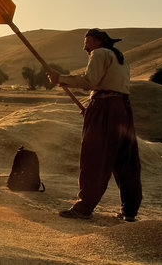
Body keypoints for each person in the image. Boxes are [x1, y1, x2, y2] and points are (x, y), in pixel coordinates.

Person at [47, 28, 142, 221]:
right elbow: (107, 85)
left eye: (87, 42)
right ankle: (130, 211)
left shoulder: (99, 53)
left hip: (106, 107)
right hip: (123, 108)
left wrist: (61, 78)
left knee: (94, 157)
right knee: (126, 161)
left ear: (98, 41)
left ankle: (84, 208)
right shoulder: (120, 57)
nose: (85, 47)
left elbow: (90, 81)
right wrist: (92, 108)